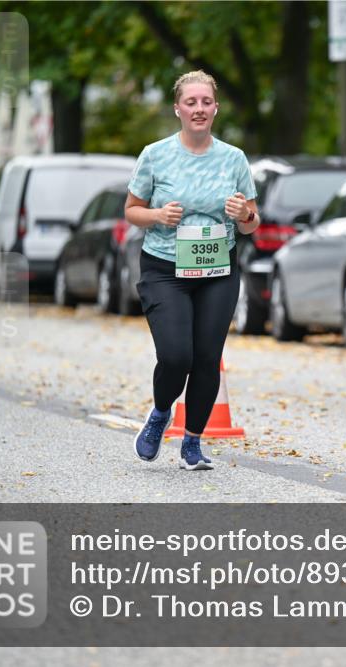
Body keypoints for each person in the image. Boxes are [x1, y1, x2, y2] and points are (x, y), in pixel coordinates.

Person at [125, 70, 259, 470]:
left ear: (215, 108)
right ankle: (161, 413)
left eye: (205, 102)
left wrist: (244, 214)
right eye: (191, 102)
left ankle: (193, 443)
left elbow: (253, 221)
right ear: (178, 109)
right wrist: (158, 215)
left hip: (218, 270)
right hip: (166, 269)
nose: (198, 109)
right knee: (176, 355)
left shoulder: (234, 159)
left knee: (206, 357)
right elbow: (131, 211)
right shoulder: (155, 154)